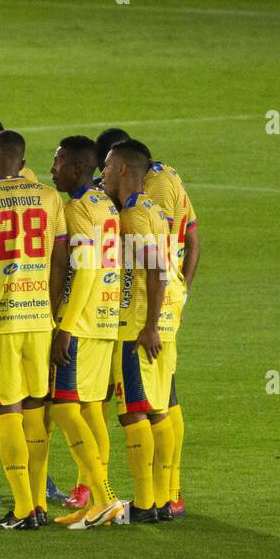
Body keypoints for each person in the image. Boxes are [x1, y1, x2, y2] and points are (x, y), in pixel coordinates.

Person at [0, 131, 69, 529]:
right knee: (37, 409)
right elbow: (60, 261)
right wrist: (52, 309)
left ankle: (23, 508)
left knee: (7, 410)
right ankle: (37, 502)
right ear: (22, 163)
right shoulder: (50, 198)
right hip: (40, 319)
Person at [47, 136, 127, 529]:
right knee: (92, 409)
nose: (52, 169)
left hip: (81, 321)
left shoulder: (79, 210)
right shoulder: (104, 204)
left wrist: (65, 326)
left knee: (63, 407)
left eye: (58, 162)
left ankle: (107, 497)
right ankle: (96, 501)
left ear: (78, 168)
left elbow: (87, 269)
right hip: (106, 318)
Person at [99, 139, 178, 524]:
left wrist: (146, 326)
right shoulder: (153, 209)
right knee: (159, 411)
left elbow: (157, 269)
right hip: (162, 324)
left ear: (124, 170)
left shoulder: (133, 214)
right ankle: (161, 500)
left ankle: (145, 504)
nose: (103, 172)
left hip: (137, 328)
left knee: (133, 414)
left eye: (108, 167)